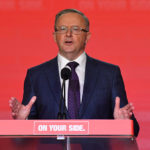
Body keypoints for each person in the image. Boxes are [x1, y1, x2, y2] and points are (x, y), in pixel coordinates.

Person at [9, 9, 139, 137]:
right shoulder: (36, 76)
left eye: (76, 29)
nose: (68, 34)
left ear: (87, 36)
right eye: (62, 29)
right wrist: (22, 122)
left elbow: (132, 128)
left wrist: (124, 124)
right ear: (54, 36)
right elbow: (26, 135)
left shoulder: (109, 74)